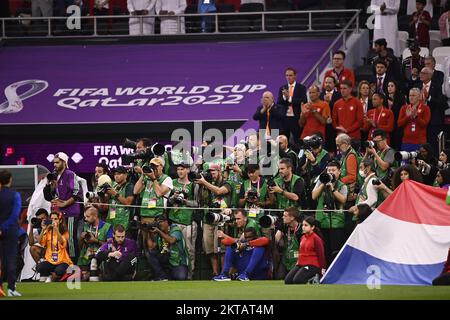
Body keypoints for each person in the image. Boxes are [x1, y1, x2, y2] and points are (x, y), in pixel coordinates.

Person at [43, 152, 82, 262]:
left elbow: (77, 192)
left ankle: (73, 263)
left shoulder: (70, 174)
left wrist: (64, 203)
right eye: (54, 162)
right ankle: (63, 262)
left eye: (57, 162)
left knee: (70, 239)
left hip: (70, 212)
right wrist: (48, 185)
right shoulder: (55, 177)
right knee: (59, 239)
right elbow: (48, 197)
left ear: (64, 162)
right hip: (59, 213)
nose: (54, 165)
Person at [195, 163, 232, 278]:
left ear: (219, 171)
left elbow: (219, 191)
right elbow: (200, 200)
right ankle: (215, 272)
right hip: (208, 218)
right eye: (210, 172)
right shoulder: (207, 183)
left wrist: (205, 183)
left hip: (221, 218)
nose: (211, 174)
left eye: (213, 172)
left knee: (220, 249)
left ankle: (224, 273)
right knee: (210, 248)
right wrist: (202, 185)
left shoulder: (227, 182)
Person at [214, 209, 267, 281]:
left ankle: (246, 274)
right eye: (235, 219)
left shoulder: (251, 225)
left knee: (259, 248)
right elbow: (226, 242)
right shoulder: (238, 226)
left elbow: (265, 240)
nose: (236, 221)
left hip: (257, 269)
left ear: (245, 218)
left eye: (238, 219)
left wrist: (246, 244)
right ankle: (225, 274)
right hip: (242, 265)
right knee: (230, 246)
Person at [312, 160, 348, 265]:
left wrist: (332, 189)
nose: (331, 172)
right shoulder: (320, 181)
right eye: (329, 170)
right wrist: (323, 184)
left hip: (336, 223)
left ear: (339, 172)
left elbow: (343, 200)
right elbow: (314, 196)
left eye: (333, 170)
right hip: (321, 222)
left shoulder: (342, 186)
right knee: (323, 251)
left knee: (335, 251)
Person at [167, 163, 199, 279]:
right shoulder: (172, 182)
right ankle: (174, 273)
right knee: (173, 249)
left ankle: (190, 275)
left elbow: (197, 204)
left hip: (188, 222)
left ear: (188, 170)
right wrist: (173, 198)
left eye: (182, 169)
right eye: (178, 169)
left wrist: (185, 201)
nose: (180, 171)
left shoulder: (193, 185)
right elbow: (167, 202)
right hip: (174, 220)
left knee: (189, 250)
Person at [144, 215, 189, 281]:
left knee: (180, 277)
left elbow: (171, 240)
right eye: (157, 222)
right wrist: (147, 232)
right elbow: (151, 247)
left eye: (160, 222)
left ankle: (167, 275)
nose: (159, 224)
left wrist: (159, 232)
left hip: (177, 261)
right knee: (150, 253)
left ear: (166, 222)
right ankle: (162, 276)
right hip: (166, 259)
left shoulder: (175, 229)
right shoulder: (159, 232)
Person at [285, 216, 326, 284]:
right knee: (288, 281)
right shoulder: (302, 237)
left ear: (312, 227)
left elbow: (321, 255)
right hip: (301, 264)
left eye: (306, 225)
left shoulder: (316, 239)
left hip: (312, 265)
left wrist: (322, 270)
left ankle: (314, 278)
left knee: (297, 280)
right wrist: (297, 263)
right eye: (303, 225)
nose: (303, 227)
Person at [0, 170, 22, 296]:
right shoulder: (15, 195)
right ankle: (11, 288)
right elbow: (15, 214)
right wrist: (4, 227)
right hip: (11, 230)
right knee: (11, 258)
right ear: (10, 180)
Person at [35, 212, 73, 283]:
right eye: (52, 219)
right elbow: (40, 242)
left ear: (60, 220)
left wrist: (56, 229)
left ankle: (56, 276)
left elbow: (61, 241)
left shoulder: (65, 232)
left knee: (59, 271)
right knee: (39, 267)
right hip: (50, 260)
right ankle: (50, 275)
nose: (53, 221)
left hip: (62, 261)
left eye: (56, 219)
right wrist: (43, 229)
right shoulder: (48, 230)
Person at [77, 206, 113, 281]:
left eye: (87, 216)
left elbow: (110, 246)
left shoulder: (107, 227)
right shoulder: (86, 226)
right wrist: (81, 238)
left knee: (96, 277)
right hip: (86, 257)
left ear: (95, 216)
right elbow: (80, 246)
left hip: (100, 256)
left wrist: (96, 241)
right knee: (81, 278)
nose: (85, 219)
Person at [417, 67, 446, 155]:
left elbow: (442, 103)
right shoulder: (416, 85)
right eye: (420, 72)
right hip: (419, 118)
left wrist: (429, 98)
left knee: (432, 143)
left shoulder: (437, 86)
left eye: (423, 73)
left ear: (430, 75)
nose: (421, 74)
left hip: (433, 120)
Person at [133, 157, 173, 222]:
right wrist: (143, 175)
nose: (154, 169)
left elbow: (159, 193)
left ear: (161, 167)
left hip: (157, 215)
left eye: (156, 166)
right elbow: (135, 191)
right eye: (152, 166)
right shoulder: (147, 178)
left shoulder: (167, 179)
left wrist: (153, 179)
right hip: (144, 213)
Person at [277, 67, 307, 144]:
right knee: (284, 140)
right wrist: (284, 97)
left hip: (296, 119)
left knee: (297, 140)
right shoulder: (282, 88)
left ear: (295, 76)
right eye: (287, 75)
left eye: (290, 75)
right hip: (285, 118)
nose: (288, 77)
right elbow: (279, 103)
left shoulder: (301, 88)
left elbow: (303, 101)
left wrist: (289, 98)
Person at [274, 207, 303, 280]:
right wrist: (278, 229)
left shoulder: (302, 229)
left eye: (285, 216)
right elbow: (275, 241)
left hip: (298, 260)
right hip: (286, 259)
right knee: (279, 277)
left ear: (292, 218)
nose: (282, 217)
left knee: (294, 279)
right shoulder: (284, 226)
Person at [105, 166, 135, 231]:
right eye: (115, 174)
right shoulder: (113, 186)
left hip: (123, 222)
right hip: (111, 219)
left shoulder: (129, 186)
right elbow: (107, 203)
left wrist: (115, 194)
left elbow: (128, 202)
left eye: (119, 174)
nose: (116, 176)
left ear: (125, 175)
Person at [320, 76, 342, 153]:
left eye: (330, 83)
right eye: (326, 82)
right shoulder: (320, 95)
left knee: (334, 147)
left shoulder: (339, 95)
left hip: (334, 125)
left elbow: (339, 109)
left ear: (334, 84)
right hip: (322, 125)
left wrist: (330, 103)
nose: (327, 84)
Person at [386, 80, 406, 151]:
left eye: (392, 86)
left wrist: (392, 105)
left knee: (397, 144)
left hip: (397, 125)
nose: (390, 88)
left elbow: (400, 111)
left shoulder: (401, 97)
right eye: (388, 86)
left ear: (396, 87)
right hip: (388, 125)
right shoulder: (385, 98)